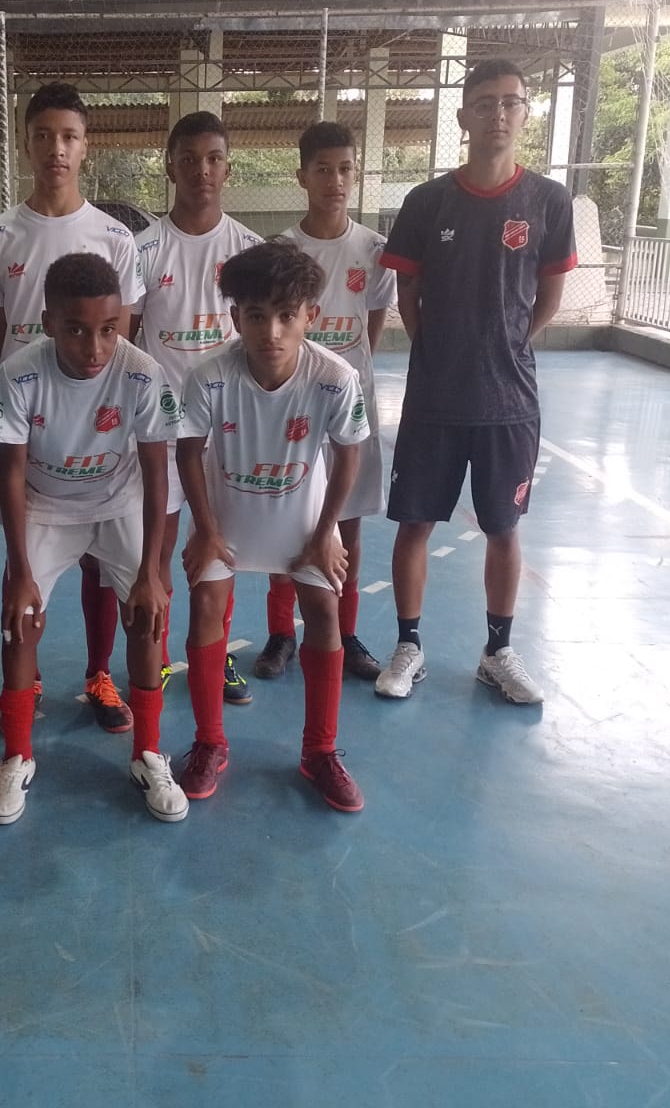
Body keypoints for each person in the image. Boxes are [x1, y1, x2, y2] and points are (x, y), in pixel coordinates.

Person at [375, 58, 576, 704]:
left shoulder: (548, 201)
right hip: (434, 397)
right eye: (485, 103)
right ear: (462, 116)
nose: (498, 114)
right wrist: (436, 349)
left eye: (511, 102)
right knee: (415, 523)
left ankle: (498, 651)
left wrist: (509, 344)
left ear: (525, 113)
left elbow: (549, 295)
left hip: (509, 400)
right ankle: (409, 645)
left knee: (503, 528)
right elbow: (407, 291)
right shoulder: (427, 201)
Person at [0, 253, 185, 825]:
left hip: (117, 501)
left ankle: (149, 753)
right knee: (20, 620)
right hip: (45, 505)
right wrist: (20, 570)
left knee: (147, 616)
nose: (94, 347)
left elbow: (157, 471)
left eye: (108, 329)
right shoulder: (20, 373)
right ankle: (17, 756)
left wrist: (151, 571)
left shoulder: (141, 372)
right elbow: (10, 471)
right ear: (48, 322)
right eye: (75, 330)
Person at [174, 241, 370, 812]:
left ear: (311, 315)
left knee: (325, 611)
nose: (272, 332)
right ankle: (209, 742)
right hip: (227, 521)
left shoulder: (334, 377)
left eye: (287, 315)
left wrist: (325, 534)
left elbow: (349, 454)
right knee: (206, 603)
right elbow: (188, 452)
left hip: (303, 522)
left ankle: (320, 752)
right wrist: (206, 531)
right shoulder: (210, 376)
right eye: (257, 316)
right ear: (236, 318)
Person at [0, 81, 145, 725]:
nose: (56, 149)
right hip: (29, 424)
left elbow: (122, 336)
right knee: (28, 564)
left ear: (85, 146)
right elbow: (3, 334)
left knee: (103, 558)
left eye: (69, 136)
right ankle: (31, 679)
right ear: (25, 144)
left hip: (97, 425)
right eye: (43, 136)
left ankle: (100, 676)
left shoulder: (115, 236)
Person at [255, 122, 396, 684]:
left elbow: (372, 325)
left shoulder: (374, 250)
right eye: (322, 169)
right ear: (302, 176)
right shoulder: (283, 251)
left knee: (348, 523)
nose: (335, 180)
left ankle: (346, 631)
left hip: (350, 407)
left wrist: (347, 376)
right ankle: (281, 633)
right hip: (292, 409)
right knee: (285, 518)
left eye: (344, 169)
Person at [133, 110, 263, 706]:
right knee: (158, 549)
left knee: (220, 552)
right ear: (170, 167)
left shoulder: (249, 250)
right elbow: (125, 345)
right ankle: (157, 656)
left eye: (213, 159)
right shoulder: (143, 248)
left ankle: (216, 655)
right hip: (161, 432)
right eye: (188, 159)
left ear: (227, 168)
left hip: (228, 432)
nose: (201, 170)